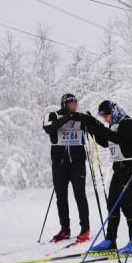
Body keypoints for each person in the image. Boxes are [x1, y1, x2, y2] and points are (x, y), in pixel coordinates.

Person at [82, 101, 132, 254]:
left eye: (106, 115)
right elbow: (105, 142)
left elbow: (118, 139)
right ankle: (110, 240)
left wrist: (97, 125)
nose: (105, 119)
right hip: (119, 169)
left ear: (114, 111)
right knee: (112, 205)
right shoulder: (114, 125)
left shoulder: (128, 123)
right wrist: (91, 128)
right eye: (103, 117)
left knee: (127, 205)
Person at [42, 93, 90, 242]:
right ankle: (65, 229)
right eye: (71, 104)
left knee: (79, 194)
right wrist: (67, 117)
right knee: (61, 197)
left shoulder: (79, 116)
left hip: (77, 163)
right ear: (64, 104)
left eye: (76, 103)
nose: (74, 106)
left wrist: (85, 118)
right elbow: (49, 129)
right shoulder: (53, 115)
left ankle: (85, 228)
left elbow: (92, 128)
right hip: (59, 163)